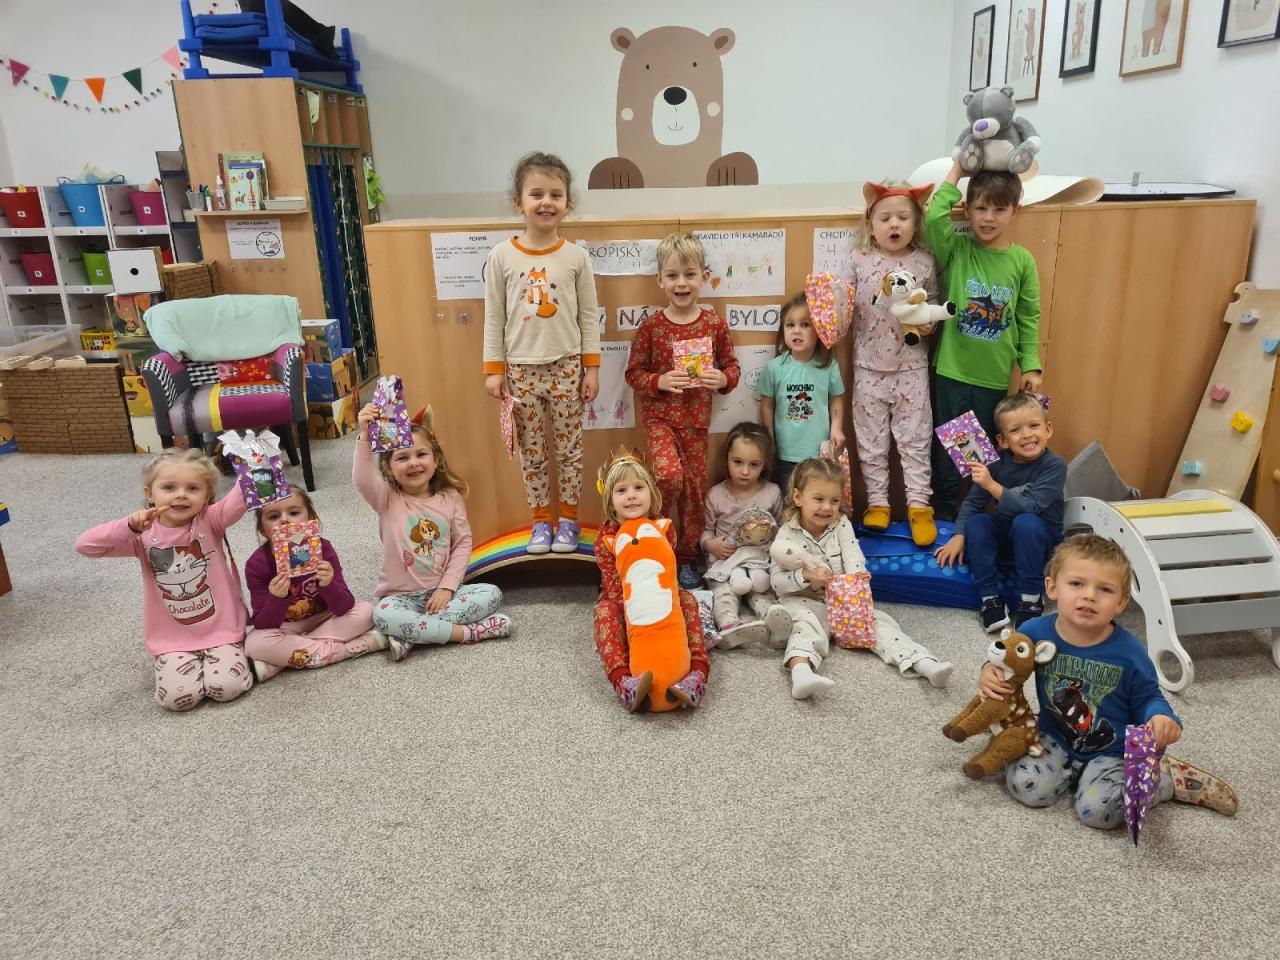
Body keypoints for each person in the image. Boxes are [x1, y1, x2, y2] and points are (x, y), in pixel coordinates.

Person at [980, 534, 1238, 829]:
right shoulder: (1033, 631)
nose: (1089, 595)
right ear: (1052, 588)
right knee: (1027, 787)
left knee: (1097, 812)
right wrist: (990, 671)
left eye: (1104, 589)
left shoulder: (1129, 652)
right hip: (1054, 736)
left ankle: (1168, 779)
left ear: (1121, 602)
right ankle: (1069, 773)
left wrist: (1160, 717)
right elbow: (1008, 659)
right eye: (1076, 584)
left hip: (1113, 751)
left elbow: (1148, 696)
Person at [483, 151, 600, 555]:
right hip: (520, 370)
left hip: (567, 367)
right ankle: (539, 522)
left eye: (555, 194)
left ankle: (567, 520)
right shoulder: (502, 256)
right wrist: (494, 369)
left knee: (569, 451)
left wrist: (591, 368)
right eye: (536, 194)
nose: (546, 202)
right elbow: (494, 316)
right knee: (532, 453)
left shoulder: (577, 257)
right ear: (519, 202)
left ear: (568, 202)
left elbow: (589, 317)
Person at [75, 449, 253, 711]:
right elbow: (85, 546)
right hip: (172, 639)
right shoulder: (141, 536)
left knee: (225, 688)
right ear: (150, 494)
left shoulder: (211, 520)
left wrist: (254, 462)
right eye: (169, 487)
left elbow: (242, 496)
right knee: (177, 699)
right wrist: (128, 526)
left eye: (193, 488)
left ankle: (246, 660)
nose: (181, 494)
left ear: (207, 496)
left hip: (222, 631)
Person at [770, 458, 953, 700]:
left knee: (879, 623)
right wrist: (806, 575)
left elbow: (853, 554)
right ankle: (801, 673)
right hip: (805, 600)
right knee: (806, 626)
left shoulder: (841, 524)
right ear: (798, 497)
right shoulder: (786, 534)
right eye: (819, 499)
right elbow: (777, 582)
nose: (827, 507)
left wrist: (853, 585)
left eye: (834, 501)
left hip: (843, 598)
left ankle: (923, 662)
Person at [926, 158, 1043, 520]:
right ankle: (945, 518)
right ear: (967, 209)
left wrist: (1031, 365)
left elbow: (1028, 316)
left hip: (992, 379)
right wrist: (957, 171)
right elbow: (933, 218)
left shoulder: (1022, 261)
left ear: (1015, 211)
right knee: (947, 456)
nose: (988, 217)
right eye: (980, 208)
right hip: (952, 373)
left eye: (999, 209)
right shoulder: (958, 250)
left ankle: (973, 521)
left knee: (982, 459)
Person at [625, 232, 740, 589]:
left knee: (694, 492)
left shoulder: (714, 324)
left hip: (697, 423)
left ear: (703, 277)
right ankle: (653, 537)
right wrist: (659, 381)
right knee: (668, 475)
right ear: (660, 279)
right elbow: (633, 373)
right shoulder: (651, 327)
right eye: (672, 275)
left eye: (689, 275)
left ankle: (688, 558)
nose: (681, 283)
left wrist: (722, 378)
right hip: (660, 419)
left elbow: (732, 368)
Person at [354, 403, 510, 660]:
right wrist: (364, 435)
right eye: (402, 458)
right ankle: (468, 633)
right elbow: (362, 480)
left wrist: (447, 588)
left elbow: (462, 544)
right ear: (387, 468)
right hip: (399, 597)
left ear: (436, 460)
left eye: (421, 454)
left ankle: (409, 634)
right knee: (382, 614)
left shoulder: (450, 497)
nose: (413, 463)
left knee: (491, 594)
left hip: (443, 594)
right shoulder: (386, 498)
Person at [846, 179, 941, 547]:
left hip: (911, 368)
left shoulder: (924, 261)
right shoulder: (858, 260)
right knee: (871, 442)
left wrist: (929, 323)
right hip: (868, 368)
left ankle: (919, 507)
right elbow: (845, 308)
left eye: (903, 217)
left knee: (915, 441)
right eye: (885, 218)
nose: (894, 225)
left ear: (916, 223)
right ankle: (878, 503)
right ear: (871, 224)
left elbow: (932, 306)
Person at [934, 392, 1065, 632]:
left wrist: (991, 485)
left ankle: (1031, 600)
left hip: (1041, 542)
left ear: (1048, 429)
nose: (1026, 435)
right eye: (1015, 430)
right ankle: (990, 599)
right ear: (1003, 440)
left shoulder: (1055, 466)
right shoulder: (995, 463)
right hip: (1007, 537)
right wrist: (959, 535)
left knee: (1026, 522)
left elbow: (1031, 507)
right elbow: (973, 503)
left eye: (1034, 426)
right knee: (978, 523)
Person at [593, 451, 711, 711]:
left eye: (638, 487)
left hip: (662, 601)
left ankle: (697, 673)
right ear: (610, 501)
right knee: (604, 612)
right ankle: (623, 682)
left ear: (652, 493)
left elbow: (668, 573)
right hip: (626, 603)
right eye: (621, 490)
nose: (631, 496)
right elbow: (612, 584)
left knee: (688, 600)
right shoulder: (605, 537)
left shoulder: (663, 527)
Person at [243, 489, 387, 681]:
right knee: (254, 643)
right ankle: (347, 650)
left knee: (366, 611)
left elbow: (345, 606)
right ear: (262, 529)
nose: (284, 520)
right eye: (274, 516)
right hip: (286, 625)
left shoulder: (324, 549)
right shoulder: (257, 564)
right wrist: (277, 598)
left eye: (294, 513)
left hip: (325, 616)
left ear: (312, 519)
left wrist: (328, 584)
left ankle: (288, 657)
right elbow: (263, 624)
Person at [700, 421, 792, 648]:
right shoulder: (715, 495)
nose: (744, 471)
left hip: (759, 562)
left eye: (754, 464)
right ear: (727, 459)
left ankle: (774, 621)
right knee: (724, 593)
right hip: (725, 561)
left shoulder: (772, 492)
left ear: (764, 464)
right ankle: (729, 625)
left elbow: (781, 529)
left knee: (762, 592)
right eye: (738, 462)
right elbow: (705, 531)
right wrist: (711, 545)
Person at [757, 290, 845, 498]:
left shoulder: (829, 366)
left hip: (819, 452)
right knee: (791, 501)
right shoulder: (774, 368)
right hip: (786, 452)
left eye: (805, 324)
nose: (797, 331)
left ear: (819, 330)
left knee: (816, 499)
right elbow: (767, 405)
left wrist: (837, 428)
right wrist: (769, 438)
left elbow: (836, 398)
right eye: (790, 325)